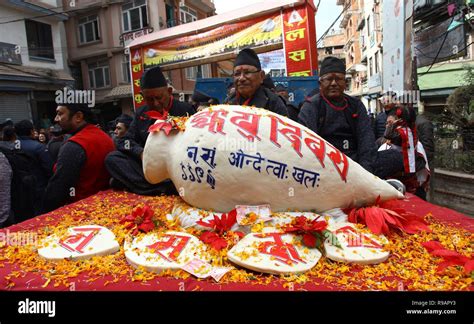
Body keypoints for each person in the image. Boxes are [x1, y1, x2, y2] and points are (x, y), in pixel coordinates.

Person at [105, 65, 195, 195]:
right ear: (142, 96)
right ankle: (161, 188)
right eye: (150, 99)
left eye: (159, 97)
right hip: (150, 167)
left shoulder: (185, 110)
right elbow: (123, 141)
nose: (156, 103)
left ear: (169, 92)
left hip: (177, 166)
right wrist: (141, 153)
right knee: (112, 158)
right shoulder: (141, 113)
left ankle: (140, 187)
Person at [298, 56, 377, 173]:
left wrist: (365, 172)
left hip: (355, 163)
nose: (334, 83)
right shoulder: (311, 106)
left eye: (339, 79)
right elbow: (308, 146)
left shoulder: (356, 105)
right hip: (325, 166)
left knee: (394, 156)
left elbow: (366, 140)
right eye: (329, 79)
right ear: (320, 83)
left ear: (345, 82)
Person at [42, 102, 115, 213]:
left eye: (60, 114)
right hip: (106, 206)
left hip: (81, 212)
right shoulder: (105, 136)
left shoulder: (74, 145)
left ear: (78, 117)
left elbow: (58, 188)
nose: (56, 119)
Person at [378, 106, 430, 199]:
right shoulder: (383, 145)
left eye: (390, 123)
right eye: (387, 123)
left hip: (411, 189)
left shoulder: (412, 141)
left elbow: (422, 172)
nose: (387, 126)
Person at [225, 48, 288, 116]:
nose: (241, 78)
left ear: (261, 76)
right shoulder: (228, 102)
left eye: (247, 72)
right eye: (237, 74)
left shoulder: (273, 102)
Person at [14, 119, 53, 213]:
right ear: (31, 131)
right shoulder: (38, 147)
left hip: (18, 189)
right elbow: (49, 168)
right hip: (38, 187)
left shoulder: (10, 146)